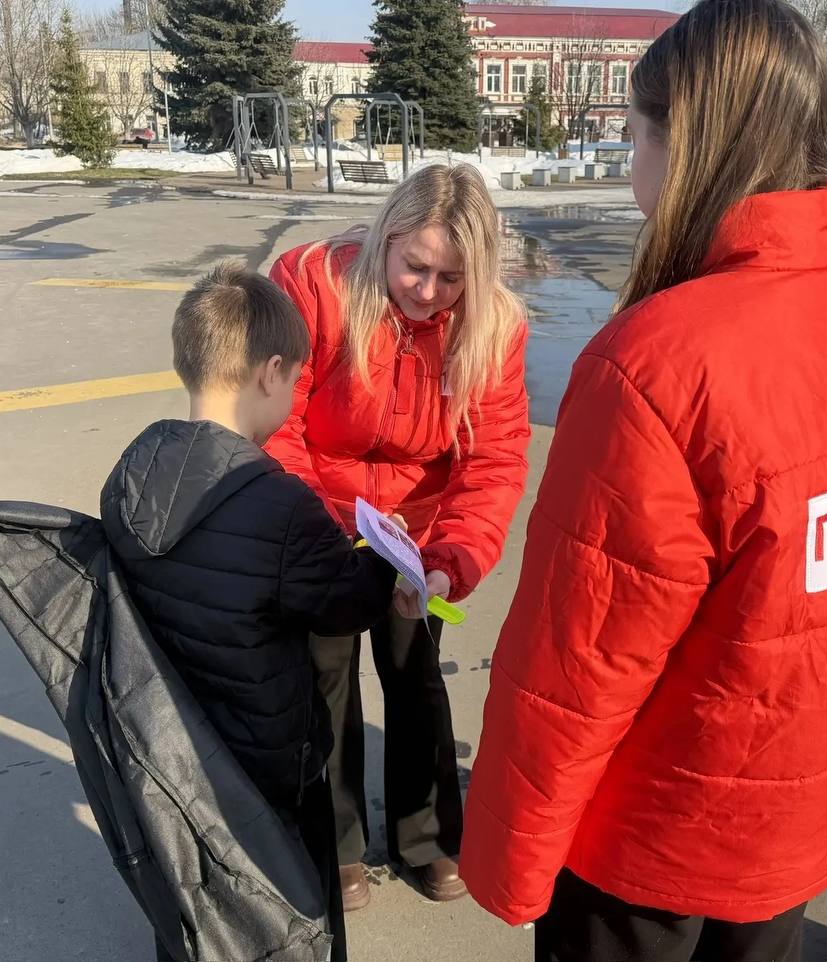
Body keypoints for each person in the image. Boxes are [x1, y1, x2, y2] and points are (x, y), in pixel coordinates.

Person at [458, 1, 827, 959]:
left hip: (648, 851)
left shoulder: (655, 364)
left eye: (634, 137)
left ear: (679, 143)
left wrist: (511, 861)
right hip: (796, 833)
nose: (632, 164)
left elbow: (579, 661)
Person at [99, 262, 400, 962]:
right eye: (294, 381)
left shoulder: (135, 465)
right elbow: (346, 604)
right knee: (288, 897)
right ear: (269, 372)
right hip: (268, 761)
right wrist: (385, 555)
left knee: (194, 891)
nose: (290, 396)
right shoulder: (281, 504)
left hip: (169, 743)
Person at [264, 164, 530, 911]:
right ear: (385, 238)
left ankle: (428, 837)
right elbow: (278, 422)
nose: (428, 291)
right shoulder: (313, 283)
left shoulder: (494, 327)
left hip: (418, 532)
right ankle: (336, 841)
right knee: (325, 682)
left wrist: (451, 562)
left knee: (415, 675)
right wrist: (312, 528)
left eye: (451, 278)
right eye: (416, 266)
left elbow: (496, 457)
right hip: (319, 512)